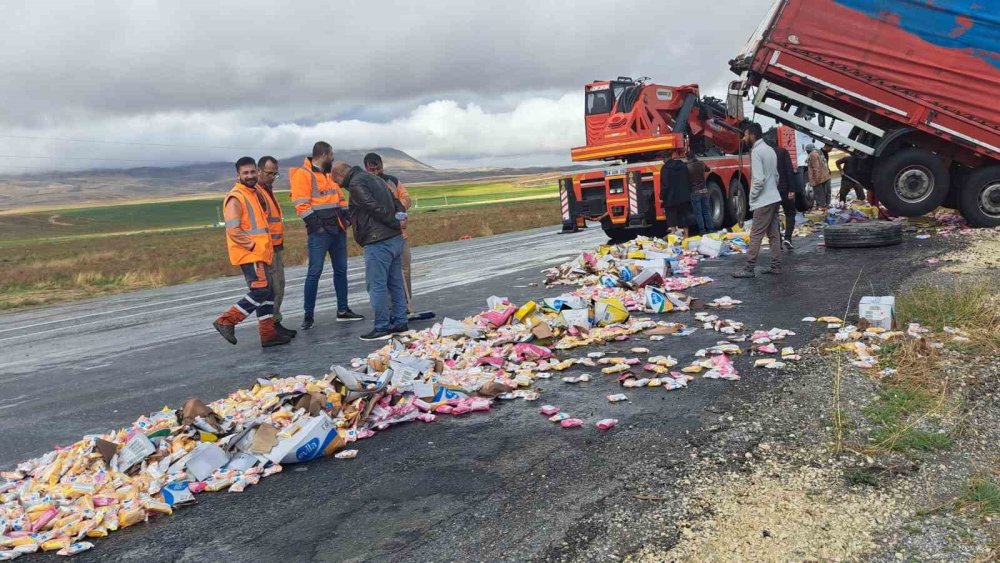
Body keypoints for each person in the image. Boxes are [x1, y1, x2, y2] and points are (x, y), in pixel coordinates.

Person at [212, 157, 291, 348]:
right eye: (245, 173)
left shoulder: (253, 193)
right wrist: (253, 247)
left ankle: (268, 334)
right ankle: (227, 320)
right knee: (261, 290)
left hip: (261, 252)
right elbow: (233, 229)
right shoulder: (236, 197)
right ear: (238, 175)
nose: (249, 176)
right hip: (250, 254)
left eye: (252, 172)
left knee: (269, 292)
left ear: (257, 172)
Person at [290, 141, 363, 330]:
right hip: (320, 232)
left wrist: (346, 218)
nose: (333, 158)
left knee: (341, 270)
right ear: (324, 155)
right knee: (314, 272)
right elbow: (301, 204)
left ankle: (343, 310)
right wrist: (317, 227)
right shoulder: (303, 175)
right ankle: (308, 315)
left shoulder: (329, 175)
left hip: (337, 229)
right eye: (331, 155)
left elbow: (339, 197)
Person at [331, 162, 407, 341]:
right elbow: (397, 202)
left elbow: (372, 207)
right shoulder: (376, 178)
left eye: (338, 182)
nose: (341, 187)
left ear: (341, 175)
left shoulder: (356, 183)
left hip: (378, 241)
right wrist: (399, 220)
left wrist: (393, 222)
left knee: (376, 285)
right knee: (395, 282)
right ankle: (400, 321)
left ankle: (382, 326)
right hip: (395, 239)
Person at [364, 152, 415, 317]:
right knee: (383, 277)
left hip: (400, 235)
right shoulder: (363, 185)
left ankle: (405, 305)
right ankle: (388, 309)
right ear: (366, 168)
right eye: (372, 169)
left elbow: (406, 198)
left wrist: (398, 209)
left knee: (404, 270)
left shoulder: (392, 181)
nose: (375, 171)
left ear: (382, 166)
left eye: (378, 168)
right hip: (379, 238)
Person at [733, 123, 782, 278]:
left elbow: (759, 179)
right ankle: (776, 265)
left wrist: (752, 197)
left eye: (746, 135)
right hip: (774, 197)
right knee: (774, 234)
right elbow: (776, 176)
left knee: (756, 234)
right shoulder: (770, 150)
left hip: (763, 200)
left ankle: (748, 268)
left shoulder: (756, 152)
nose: (744, 138)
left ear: (753, 135)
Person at [255, 156, 296, 339]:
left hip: (276, 246)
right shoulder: (257, 193)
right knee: (272, 288)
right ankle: (270, 326)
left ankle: (276, 322)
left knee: (279, 285)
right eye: (269, 173)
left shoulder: (267, 191)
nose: (272, 177)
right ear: (259, 171)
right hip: (266, 248)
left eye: (275, 174)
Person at [766, 136, 799, 249]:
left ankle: (778, 242)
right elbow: (789, 170)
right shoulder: (782, 152)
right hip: (784, 189)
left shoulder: (764, 155)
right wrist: (792, 189)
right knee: (790, 213)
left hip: (771, 191)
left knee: (774, 216)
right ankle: (788, 238)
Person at [659, 150, 693, 238]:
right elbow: (688, 179)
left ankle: (674, 235)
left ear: (664, 159)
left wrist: (662, 196)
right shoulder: (683, 165)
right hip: (684, 196)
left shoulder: (665, 169)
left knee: (671, 216)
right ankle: (686, 235)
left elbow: (665, 185)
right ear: (671, 156)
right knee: (684, 215)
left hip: (671, 198)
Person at [686, 152, 713, 235]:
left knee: (698, 213)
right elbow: (708, 169)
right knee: (706, 211)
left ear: (687, 158)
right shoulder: (701, 164)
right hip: (704, 191)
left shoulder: (688, 167)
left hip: (695, 192)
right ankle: (711, 229)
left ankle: (702, 231)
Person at [807, 143, 832, 208]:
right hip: (825, 176)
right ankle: (826, 206)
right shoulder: (818, 152)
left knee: (819, 194)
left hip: (818, 178)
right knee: (824, 193)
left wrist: (817, 180)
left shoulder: (813, 155)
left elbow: (816, 168)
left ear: (808, 150)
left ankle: (821, 208)